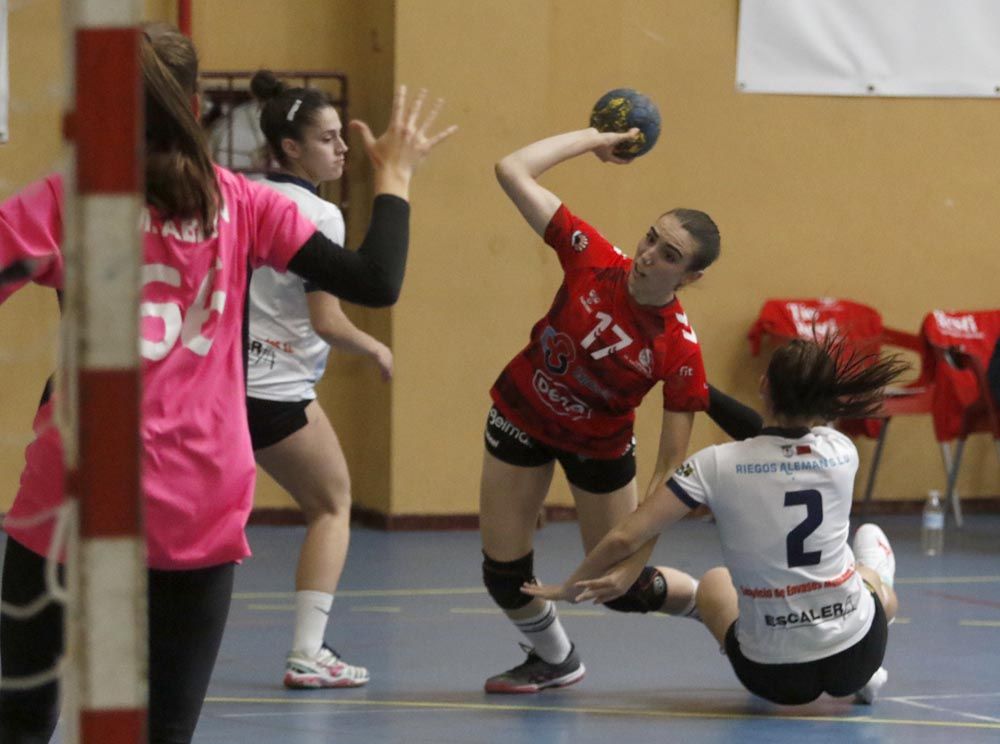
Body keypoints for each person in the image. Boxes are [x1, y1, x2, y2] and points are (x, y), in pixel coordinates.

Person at [0, 23, 455, 744]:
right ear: (189, 102)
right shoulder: (244, 204)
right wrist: (394, 179)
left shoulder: (67, 201)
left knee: (20, 719)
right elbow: (376, 280)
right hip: (198, 493)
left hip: (75, 491)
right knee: (164, 728)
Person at [480, 126, 760, 694]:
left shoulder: (678, 350)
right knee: (504, 576)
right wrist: (592, 140)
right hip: (520, 416)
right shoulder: (592, 258)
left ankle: (727, 611)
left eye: (669, 255)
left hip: (599, 449)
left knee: (623, 588)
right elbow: (511, 168)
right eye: (652, 239)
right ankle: (556, 659)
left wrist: (636, 560)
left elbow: (670, 473)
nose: (648, 256)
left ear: (691, 277)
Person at [525, 337, 906, 706]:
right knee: (868, 570)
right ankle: (877, 610)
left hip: (773, 675)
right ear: (826, 400)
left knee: (714, 582)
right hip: (858, 655)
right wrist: (703, 391)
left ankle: (735, 614)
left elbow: (627, 536)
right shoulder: (841, 451)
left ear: (764, 385)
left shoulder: (716, 465)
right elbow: (774, 439)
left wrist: (568, 587)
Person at [244, 70, 392, 689]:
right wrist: (374, 346)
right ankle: (308, 652)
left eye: (341, 137)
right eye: (327, 139)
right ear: (290, 149)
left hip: (219, 387)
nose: (341, 149)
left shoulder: (241, 194)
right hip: (276, 391)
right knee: (332, 506)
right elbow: (327, 320)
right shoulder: (319, 214)